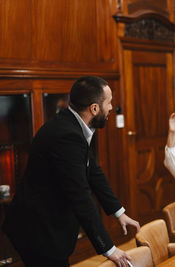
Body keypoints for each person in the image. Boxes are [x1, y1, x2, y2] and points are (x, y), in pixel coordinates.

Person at [2, 76, 140, 267]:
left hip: (46, 225)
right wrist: (110, 249)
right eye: (109, 103)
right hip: (37, 230)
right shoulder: (67, 136)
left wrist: (119, 213)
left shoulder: (72, 125)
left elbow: (94, 172)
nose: (111, 108)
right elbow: (81, 196)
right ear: (94, 108)